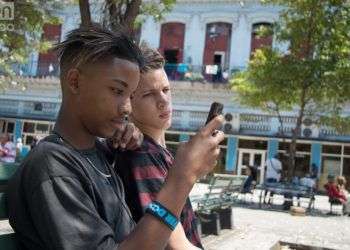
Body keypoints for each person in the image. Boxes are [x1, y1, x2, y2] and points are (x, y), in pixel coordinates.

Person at [7, 25, 224, 250]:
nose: (127, 108)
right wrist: (182, 176)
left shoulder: (101, 153)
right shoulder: (53, 167)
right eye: (117, 91)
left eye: (130, 95)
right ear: (75, 82)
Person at [116, 46, 202, 249]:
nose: (163, 101)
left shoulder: (157, 151)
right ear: (129, 101)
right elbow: (175, 245)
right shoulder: (142, 154)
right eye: (148, 94)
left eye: (165, 90)